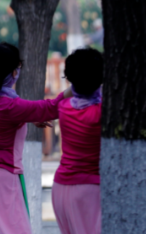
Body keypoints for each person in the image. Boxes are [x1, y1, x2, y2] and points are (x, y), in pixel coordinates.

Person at [0, 42, 71, 234]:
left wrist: (25, 119)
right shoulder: (11, 106)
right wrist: (78, 85)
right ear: (13, 72)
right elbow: (51, 107)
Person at [52, 48, 103, 234]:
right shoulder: (101, 113)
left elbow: (68, 94)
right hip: (88, 191)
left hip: (60, 189)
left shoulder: (64, 107)